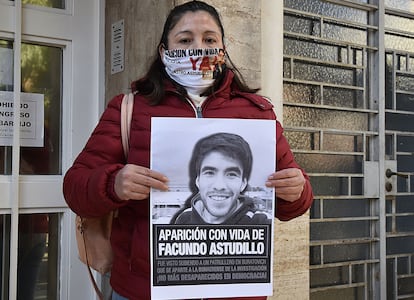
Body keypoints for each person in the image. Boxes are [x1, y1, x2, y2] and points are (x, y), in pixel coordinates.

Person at [63, 1, 314, 300]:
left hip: (234, 289)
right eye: (185, 40)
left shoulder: (257, 113)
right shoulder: (130, 108)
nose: (198, 48)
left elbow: (295, 200)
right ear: (163, 51)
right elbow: (75, 188)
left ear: (223, 48)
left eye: (209, 39)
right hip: (144, 290)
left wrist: (296, 190)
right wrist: (114, 183)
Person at [172, 132, 272, 225]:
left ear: (243, 183)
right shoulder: (185, 219)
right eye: (210, 173)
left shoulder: (260, 222)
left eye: (231, 174)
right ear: (198, 181)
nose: (219, 186)